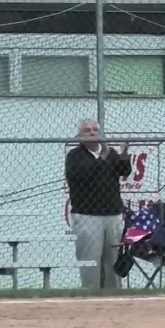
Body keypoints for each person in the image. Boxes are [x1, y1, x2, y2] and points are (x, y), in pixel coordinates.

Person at [65, 118, 131, 289]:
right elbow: (82, 175)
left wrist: (124, 155)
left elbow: (124, 172)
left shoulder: (110, 153)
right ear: (80, 135)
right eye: (87, 130)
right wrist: (101, 159)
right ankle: (90, 294)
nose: (92, 132)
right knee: (90, 260)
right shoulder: (75, 156)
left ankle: (113, 295)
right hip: (87, 215)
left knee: (113, 259)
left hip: (113, 213)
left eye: (95, 129)